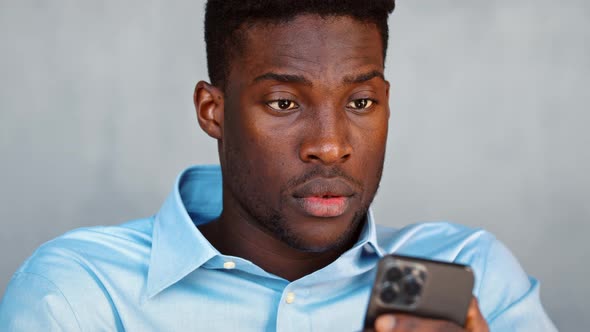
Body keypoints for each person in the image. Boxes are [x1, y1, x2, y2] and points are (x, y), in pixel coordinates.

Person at [0, 1, 557, 331]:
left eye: (360, 103)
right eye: (284, 103)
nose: (331, 145)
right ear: (212, 111)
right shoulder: (83, 291)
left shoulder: (469, 273)